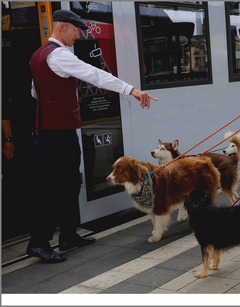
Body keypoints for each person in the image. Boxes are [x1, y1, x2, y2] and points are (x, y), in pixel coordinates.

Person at [27, 9, 158, 263]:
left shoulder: (37, 56)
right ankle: (38, 243)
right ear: (62, 28)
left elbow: (35, 92)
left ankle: (67, 235)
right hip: (57, 133)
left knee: (68, 183)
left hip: (50, 130)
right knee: (56, 186)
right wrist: (130, 89)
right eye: (75, 31)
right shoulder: (60, 55)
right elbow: (95, 74)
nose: (78, 36)